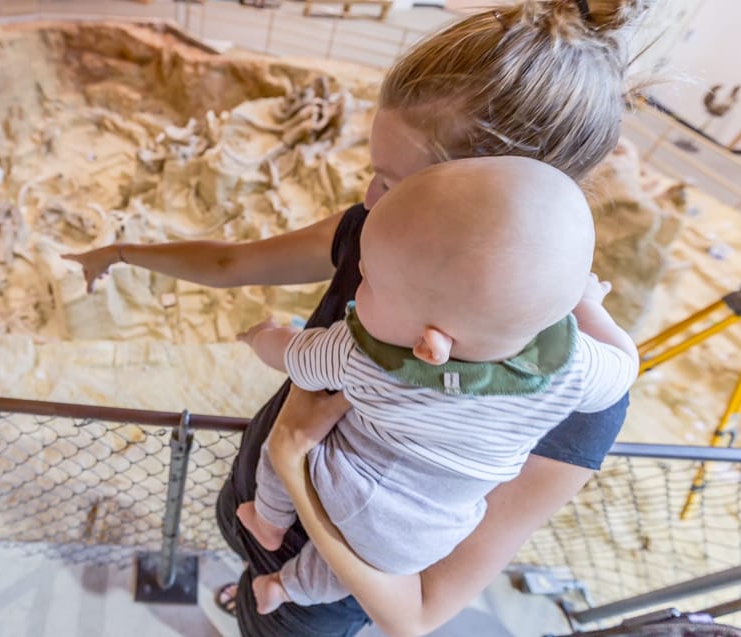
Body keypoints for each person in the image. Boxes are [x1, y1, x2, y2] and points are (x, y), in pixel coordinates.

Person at [62, 0, 650, 634]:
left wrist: (290, 459)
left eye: (395, 185)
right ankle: (250, 585)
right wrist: (120, 251)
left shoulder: (581, 401)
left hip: (318, 592)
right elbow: (231, 261)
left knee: (268, 618)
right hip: (260, 510)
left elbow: (418, 611)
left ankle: (259, 600)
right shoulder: (380, 237)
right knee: (250, 575)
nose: (369, 204)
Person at [235, 156, 638, 615]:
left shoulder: (365, 356)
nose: (359, 283)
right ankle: (286, 590)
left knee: (278, 451)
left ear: (431, 346)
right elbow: (626, 364)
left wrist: (259, 336)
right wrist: (589, 307)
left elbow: (294, 358)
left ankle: (268, 519)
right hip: (426, 540)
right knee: (348, 568)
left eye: (370, 280)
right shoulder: (574, 371)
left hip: (341, 485)